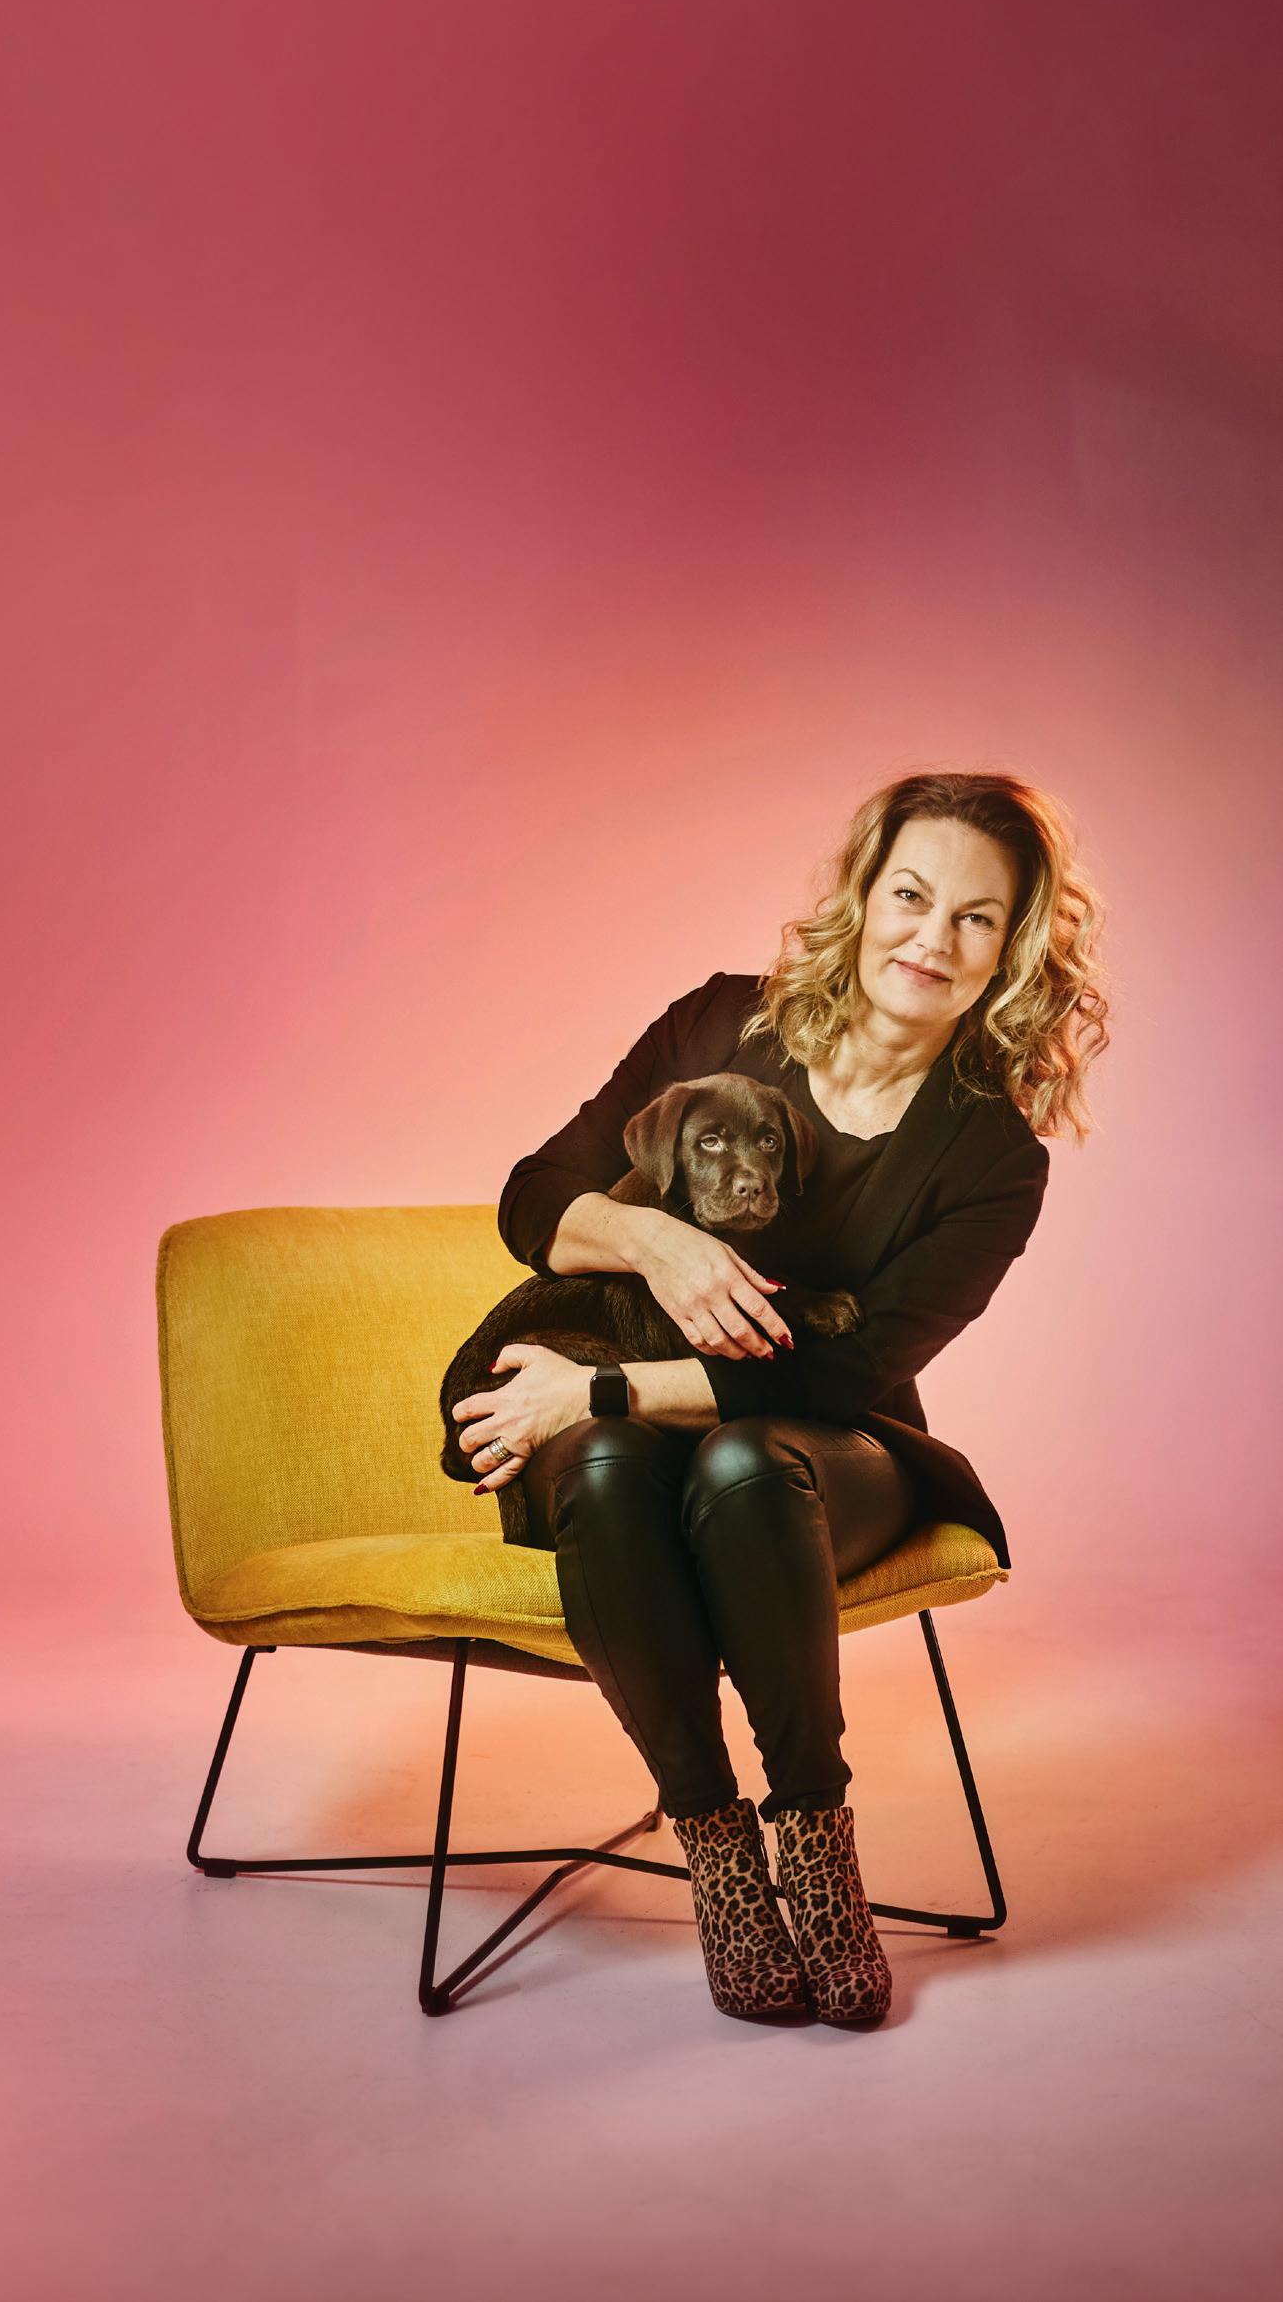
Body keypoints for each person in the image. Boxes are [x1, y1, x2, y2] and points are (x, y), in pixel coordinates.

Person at [450, 769, 1108, 2030]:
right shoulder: (718, 1025)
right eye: (910, 895)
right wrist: (660, 1245)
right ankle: (719, 1858)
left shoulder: (990, 1156)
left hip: (835, 1449)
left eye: (974, 917)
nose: (931, 937)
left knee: (738, 1462)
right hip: (634, 1438)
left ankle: (815, 1847)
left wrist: (599, 1387)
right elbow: (533, 1200)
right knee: (607, 1466)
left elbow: (846, 1369)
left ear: (1010, 951)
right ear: (864, 895)